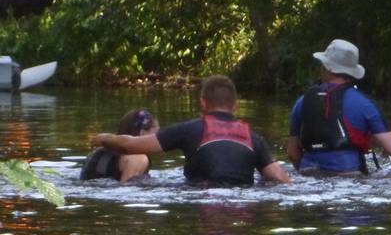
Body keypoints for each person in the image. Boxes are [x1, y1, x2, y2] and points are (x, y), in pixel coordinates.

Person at [90, 76, 291, 187]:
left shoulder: (190, 129)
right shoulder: (254, 138)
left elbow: (130, 144)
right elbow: (281, 179)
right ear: (235, 106)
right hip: (242, 201)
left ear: (203, 103)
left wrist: (101, 138)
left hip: (200, 195)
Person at [287, 39, 391, 175]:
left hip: (308, 174)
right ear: (352, 72)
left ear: (327, 67)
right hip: (349, 175)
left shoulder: (302, 101)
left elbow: (292, 153)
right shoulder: (364, 104)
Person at [80, 108, 160, 182]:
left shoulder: (100, 150)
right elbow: (127, 191)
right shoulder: (139, 158)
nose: (159, 138)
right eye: (157, 133)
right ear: (142, 133)